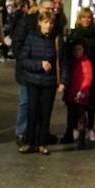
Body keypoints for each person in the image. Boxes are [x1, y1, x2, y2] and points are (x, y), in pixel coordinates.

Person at [16, 9, 62, 154]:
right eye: (45, 22)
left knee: (45, 113)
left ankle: (42, 143)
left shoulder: (57, 39)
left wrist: (63, 81)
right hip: (33, 80)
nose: (48, 26)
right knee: (32, 111)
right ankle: (29, 141)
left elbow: (63, 62)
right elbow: (23, 59)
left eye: (51, 23)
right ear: (40, 23)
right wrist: (39, 65)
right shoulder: (31, 37)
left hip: (49, 82)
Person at [67, 6, 95, 139]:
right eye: (83, 17)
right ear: (79, 19)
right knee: (75, 102)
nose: (86, 20)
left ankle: (90, 127)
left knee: (91, 102)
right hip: (77, 73)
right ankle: (74, 127)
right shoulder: (74, 34)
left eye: (88, 17)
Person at [62, 38, 94, 148]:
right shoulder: (72, 62)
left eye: (79, 49)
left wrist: (83, 90)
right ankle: (71, 134)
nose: (77, 52)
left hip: (81, 95)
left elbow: (88, 77)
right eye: (75, 50)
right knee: (71, 116)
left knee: (81, 118)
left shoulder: (86, 62)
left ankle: (81, 137)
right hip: (72, 94)